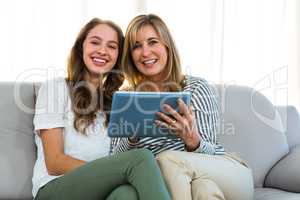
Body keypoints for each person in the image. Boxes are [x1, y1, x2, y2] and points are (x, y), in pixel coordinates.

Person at [111, 14, 254, 200]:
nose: (145, 52)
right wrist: (131, 136)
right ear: (130, 55)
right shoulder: (127, 98)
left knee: (167, 160)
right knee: (203, 189)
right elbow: (115, 162)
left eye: (153, 42)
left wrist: (192, 141)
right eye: (136, 46)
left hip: (228, 172)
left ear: (167, 47)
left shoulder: (195, 88)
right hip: (192, 184)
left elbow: (211, 156)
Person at [32, 18, 171, 200]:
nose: (103, 51)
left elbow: (120, 155)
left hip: (100, 190)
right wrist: (113, 170)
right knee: (141, 158)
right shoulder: (55, 88)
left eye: (112, 46)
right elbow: (54, 162)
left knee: (126, 195)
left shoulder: (118, 102)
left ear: (118, 57)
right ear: (81, 47)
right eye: (95, 42)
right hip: (54, 188)